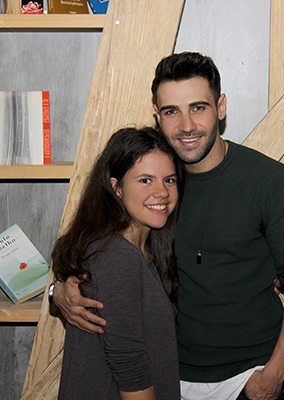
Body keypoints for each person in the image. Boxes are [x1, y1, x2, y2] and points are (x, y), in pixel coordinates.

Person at [52, 52, 284, 400]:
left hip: (249, 378)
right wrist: (59, 290)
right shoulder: (149, 186)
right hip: (165, 376)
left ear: (220, 107)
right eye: (171, 111)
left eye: (198, 108)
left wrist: (273, 375)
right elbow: (100, 248)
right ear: (157, 115)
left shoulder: (267, 180)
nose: (186, 125)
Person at [52, 127, 185, 400]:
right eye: (145, 180)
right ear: (117, 188)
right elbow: (130, 368)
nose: (161, 192)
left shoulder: (146, 250)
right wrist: (56, 291)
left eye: (169, 180)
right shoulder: (116, 256)